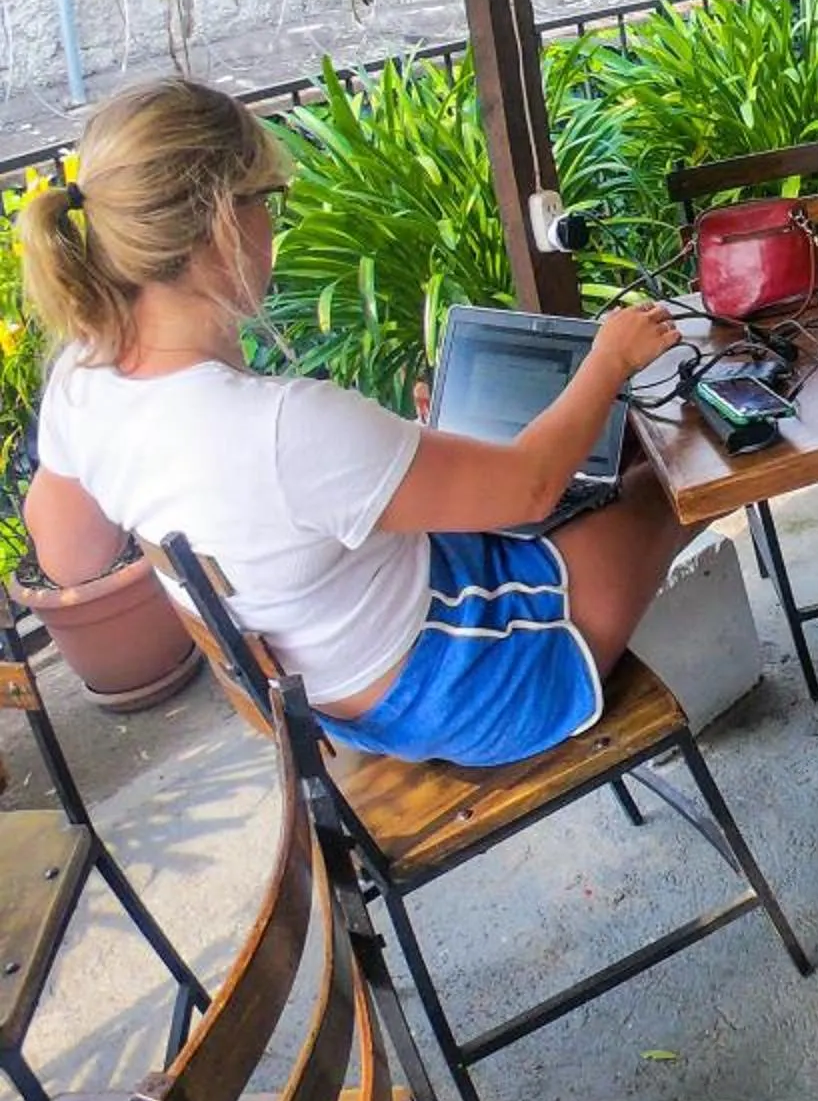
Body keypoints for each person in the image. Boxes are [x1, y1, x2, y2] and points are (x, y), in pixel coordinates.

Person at [18, 78, 694, 768]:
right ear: (227, 218)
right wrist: (608, 358)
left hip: (333, 690)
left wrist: (407, 452)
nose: (272, 224)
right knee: (680, 471)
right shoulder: (280, 426)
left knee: (617, 458)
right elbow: (530, 488)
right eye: (268, 200)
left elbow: (69, 558)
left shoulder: (83, 376)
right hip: (461, 689)